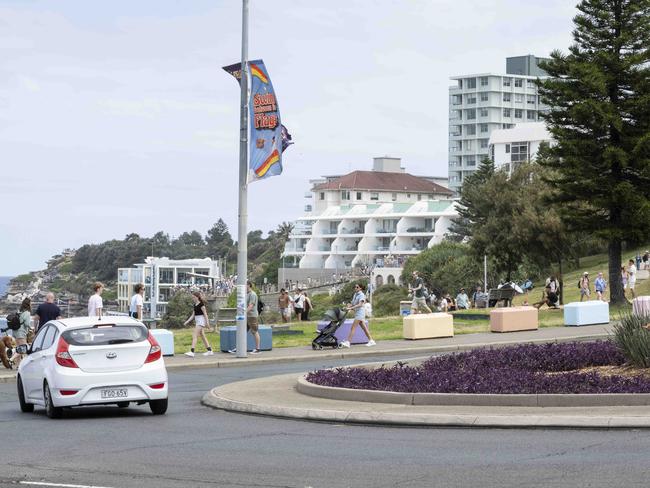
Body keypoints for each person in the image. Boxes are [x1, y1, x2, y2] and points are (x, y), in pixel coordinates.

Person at [339, 283, 375, 348]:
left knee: (353, 327)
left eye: (357, 287)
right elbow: (353, 303)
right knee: (364, 328)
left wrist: (350, 308)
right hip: (357, 312)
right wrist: (347, 306)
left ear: (360, 288)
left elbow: (360, 304)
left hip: (360, 313)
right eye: (355, 287)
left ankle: (348, 342)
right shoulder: (355, 294)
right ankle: (371, 340)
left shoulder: (361, 295)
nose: (355, 288)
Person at [183, 291, 213, 357]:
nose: (193, 298)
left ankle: (192, 351)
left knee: (194, 335)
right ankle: (209, 350)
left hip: (201, 321)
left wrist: (207, 323)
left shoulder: (201, 304)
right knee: (202, 336)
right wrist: (187, 321)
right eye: (192, 297)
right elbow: (193, 315)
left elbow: (205, 314)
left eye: (193, 297)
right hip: (198, 321)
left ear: (197, 297)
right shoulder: (195, 305)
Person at [12, 298, 32, 367]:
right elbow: (26, 324)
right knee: (23, 349)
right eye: (30, 303)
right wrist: (31, 328)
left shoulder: (19, 311)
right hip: (21, 333)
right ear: (28, 304)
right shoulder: (27, 313)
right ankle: (11, 359)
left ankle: (18, 366)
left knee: (19, 348)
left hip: (15, 332)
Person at [245, 281, 261, 354]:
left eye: (245, 285)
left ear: (249, 285)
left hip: (252, 316)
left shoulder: (253, 294)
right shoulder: (247, 294)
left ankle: (257, 349)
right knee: (242, 332)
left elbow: (251, 306)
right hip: (247, 316)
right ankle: (241, 347)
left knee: (254, 331)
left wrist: (244, 313)